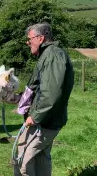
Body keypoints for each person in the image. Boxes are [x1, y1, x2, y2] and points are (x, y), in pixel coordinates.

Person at [14, 23, 74, 176]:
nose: (28, 43)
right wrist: (21, 99)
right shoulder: (49, 54)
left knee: (23, 164)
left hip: (44, 121)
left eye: (29, 39)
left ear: (40, 38)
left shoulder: (52, 55)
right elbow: (41, 88)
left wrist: (36, 116)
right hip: (46, 120)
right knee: (41, 159)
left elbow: (52, 92)